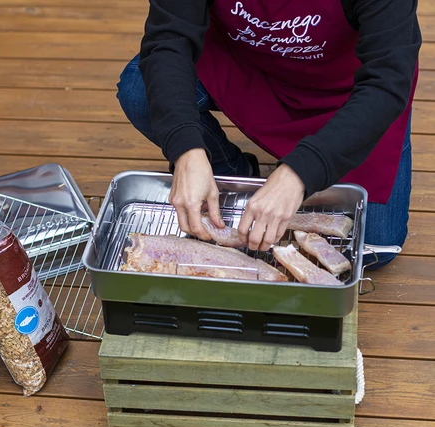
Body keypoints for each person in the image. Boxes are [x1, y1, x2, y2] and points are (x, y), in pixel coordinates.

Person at [117, 0, 421, 268]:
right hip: (250, 64)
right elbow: (169, 41)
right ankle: (233, 172)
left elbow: (387, 82)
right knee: (140, 91)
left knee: (376, 246)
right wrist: (186, 150)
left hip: (349, 93)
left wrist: (300, 172)